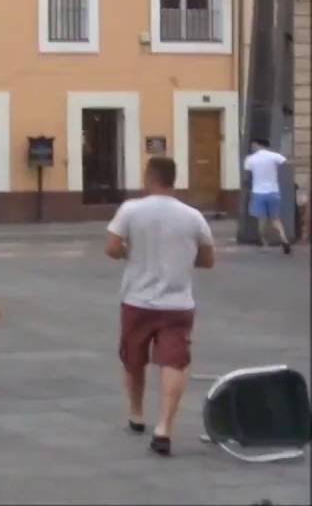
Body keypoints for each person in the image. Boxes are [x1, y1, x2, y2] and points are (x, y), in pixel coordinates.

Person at [105, 156, 214, 457]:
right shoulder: (193, 216)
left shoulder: (131, 209)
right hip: (178, 303)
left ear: (149, 177)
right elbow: (208, 260)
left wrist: (129, 253)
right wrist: (181, 257)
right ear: (173, 180)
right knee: (174, 361)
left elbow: (111, 248)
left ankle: (137, 413)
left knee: (133, 358)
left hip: (136, 299)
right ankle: (164, 427)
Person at [243, 138, 291, 254]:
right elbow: (286, 162)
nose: (252, 147)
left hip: (258, 192)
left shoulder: (250, 159)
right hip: (273, 192)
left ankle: (264, 242)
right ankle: (284, 238)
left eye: (253, 145)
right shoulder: (274, 156)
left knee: (262, 220)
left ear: (257, 144)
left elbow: (247, 177)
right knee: (275, 219)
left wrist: (247, 189)